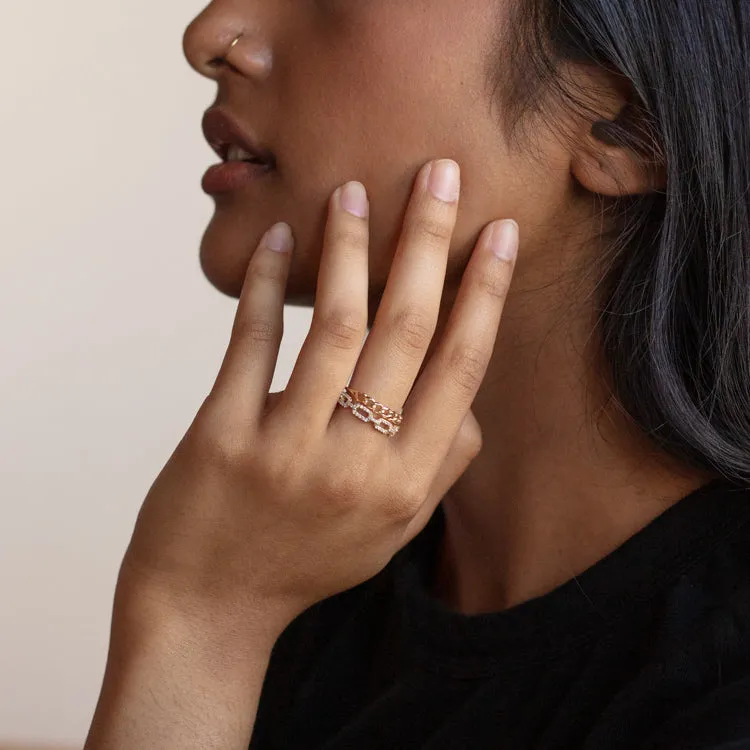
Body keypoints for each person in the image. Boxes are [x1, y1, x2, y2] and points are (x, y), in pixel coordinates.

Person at [84, 1, 750, 748]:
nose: (210, 36)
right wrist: (207, 618)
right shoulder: (298, 576)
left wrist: (198, 627)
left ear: (623, 118)